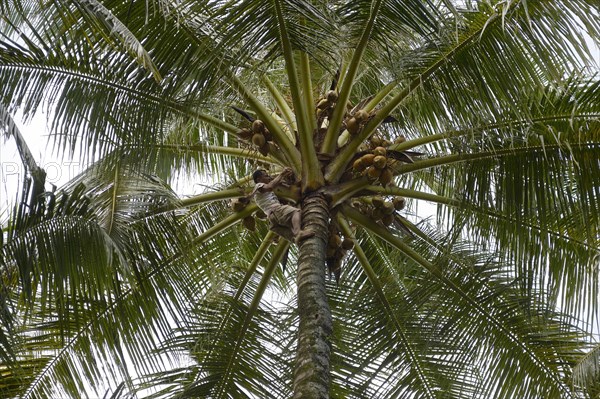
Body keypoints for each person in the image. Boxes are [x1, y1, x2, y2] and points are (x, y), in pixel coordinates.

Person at [250, 168, 314, 244]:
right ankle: (298, 232)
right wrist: (282, 174)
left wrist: (282, 181)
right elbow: (270, 187)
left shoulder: (262, 194)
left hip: (273, 221)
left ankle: (298, 239)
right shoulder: (259, 185)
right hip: (276, 210)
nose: (268, 177)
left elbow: (283, 187)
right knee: (296, 212)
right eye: (266, 176)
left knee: (296, 237)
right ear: (258, 179)